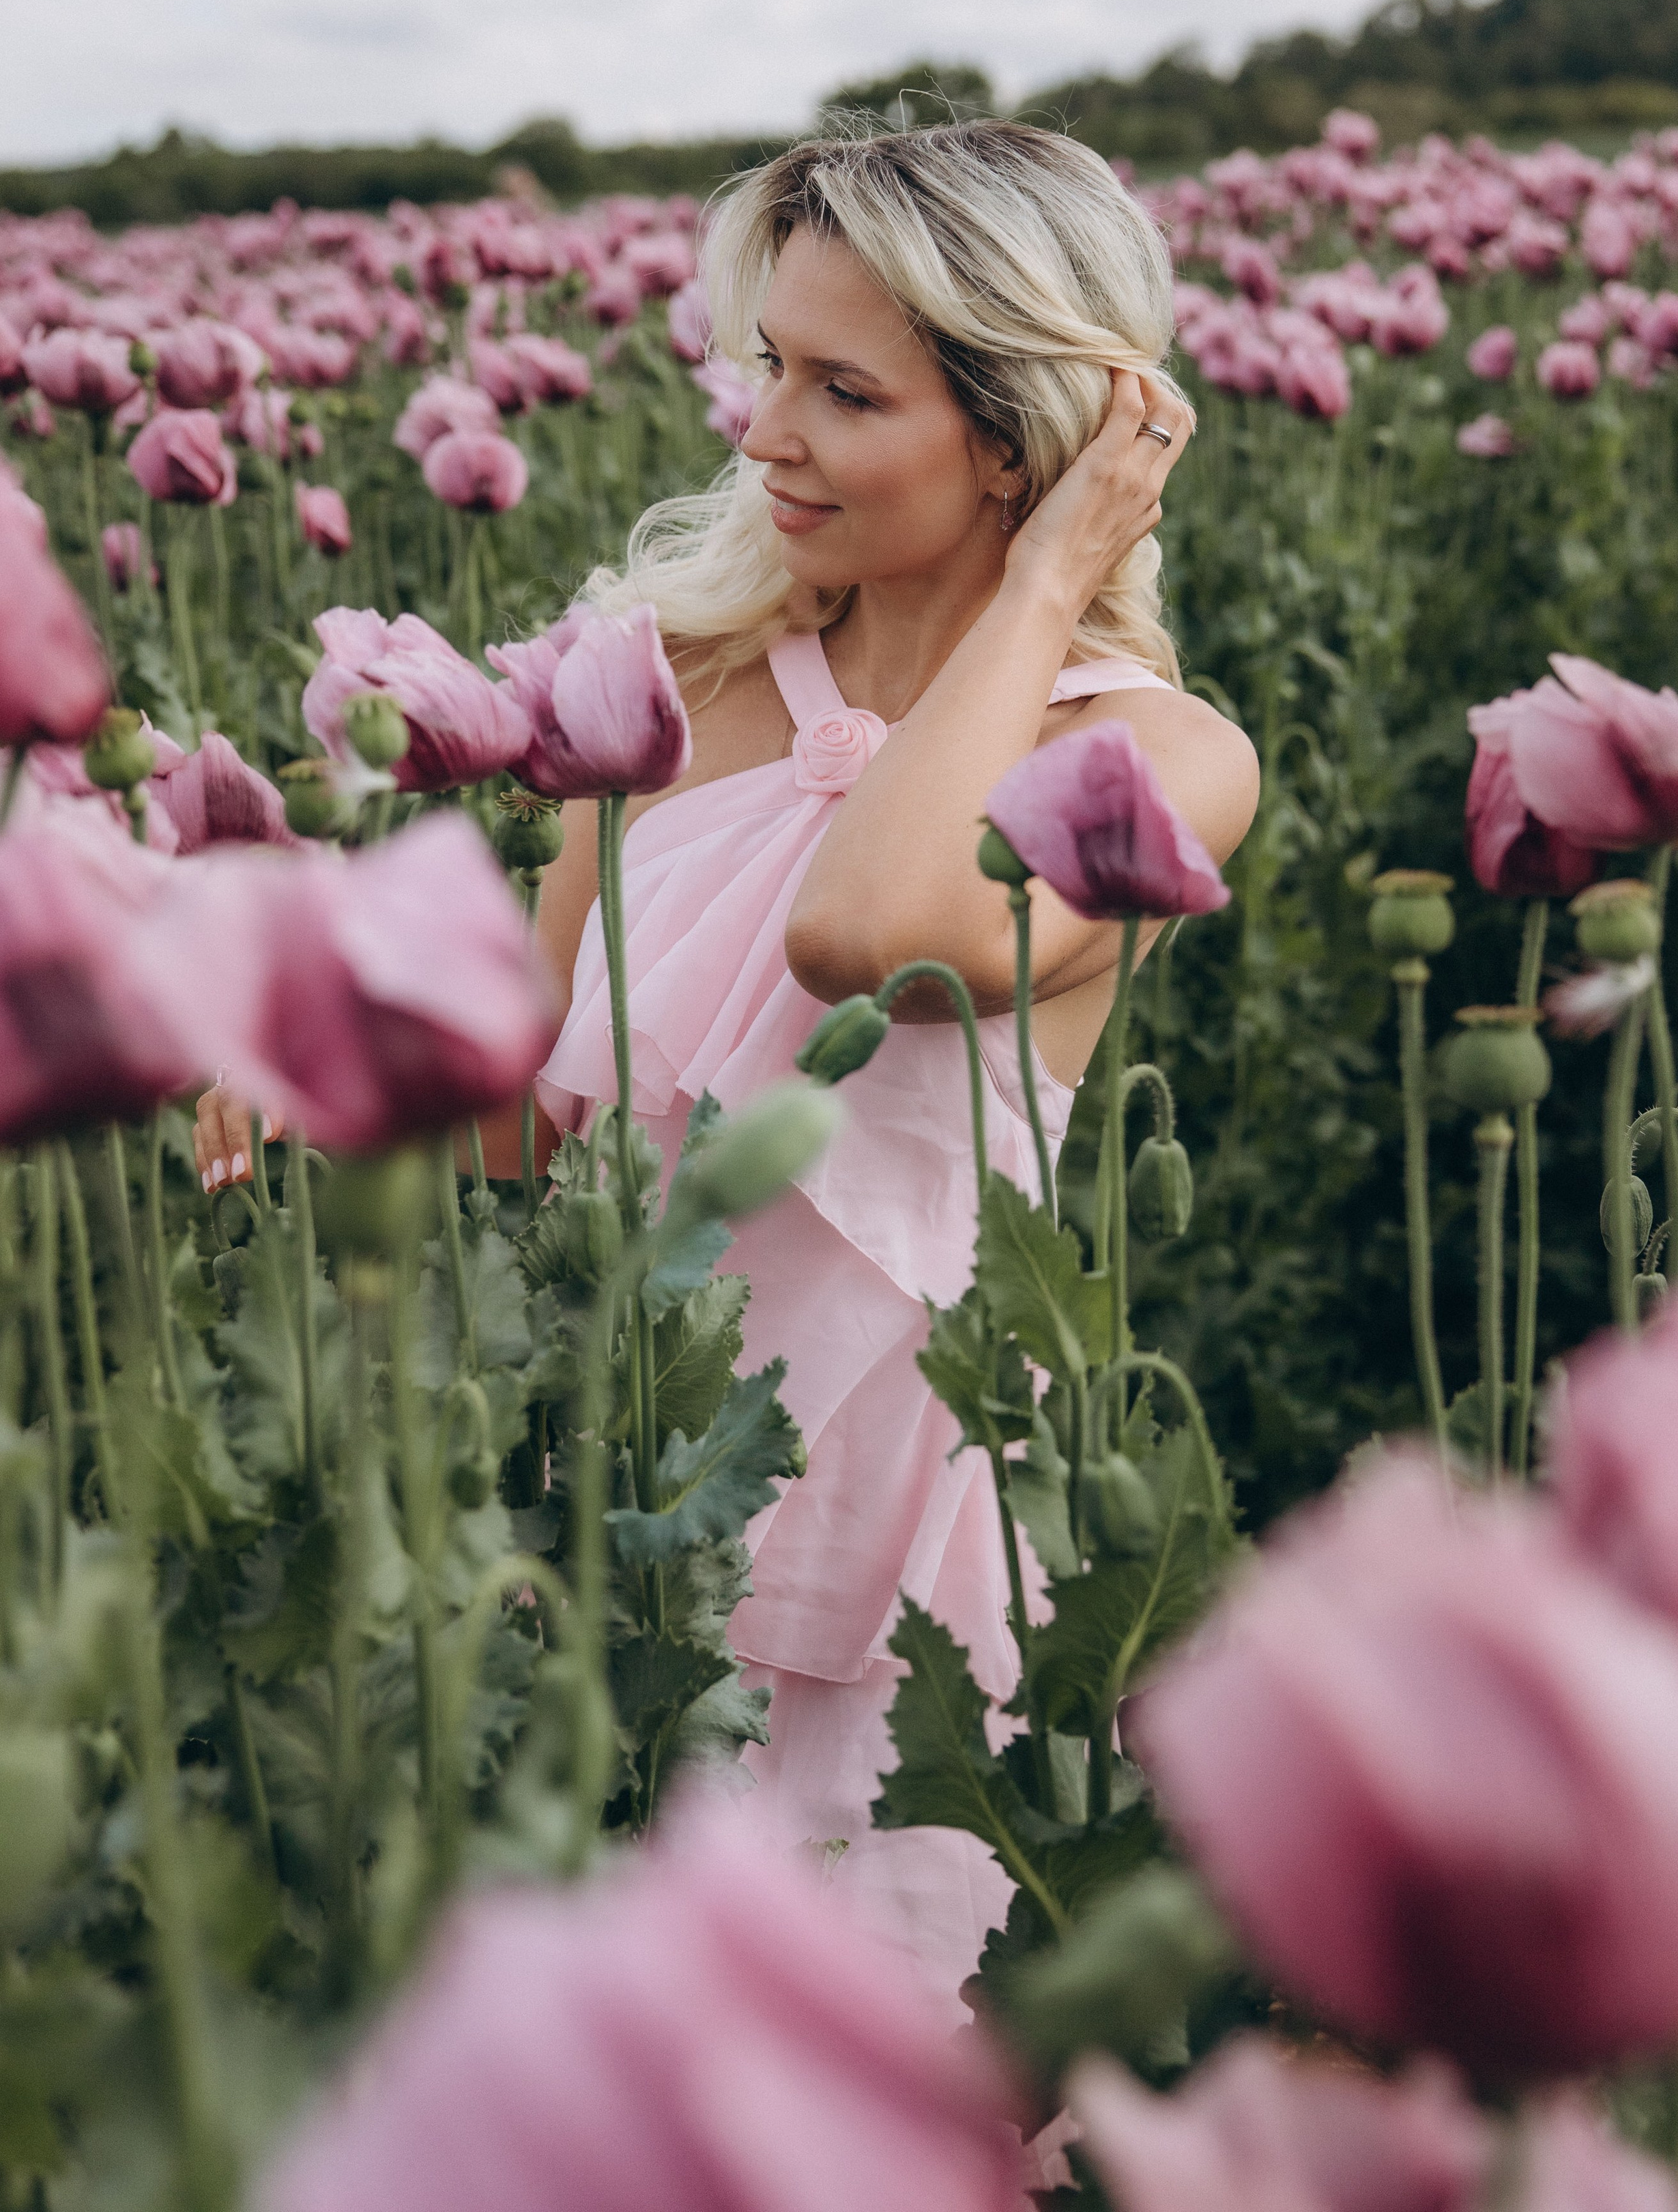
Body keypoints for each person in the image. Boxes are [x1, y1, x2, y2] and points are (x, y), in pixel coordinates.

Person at [194, 120, 1258, 2017]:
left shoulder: (1154, 764)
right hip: (596, 1488)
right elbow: (520, 1117)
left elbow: (870, 937)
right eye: (769, 360)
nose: (764, 430)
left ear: (1019, 439)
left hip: (891, 1571)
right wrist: (289, 1045)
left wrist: (1044, 589)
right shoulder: (672, 690)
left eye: (845, 390)